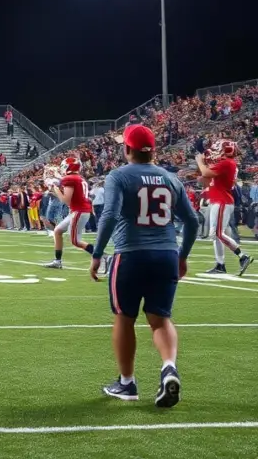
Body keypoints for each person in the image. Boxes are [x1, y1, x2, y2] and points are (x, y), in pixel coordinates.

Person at [90, 125, 200, 407]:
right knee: (160, 318)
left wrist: (98, 253)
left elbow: (110, 215)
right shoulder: (170, 178)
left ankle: (127, 383)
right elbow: (192, 221)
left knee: (124, 318)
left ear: (127, 149)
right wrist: (183, 256)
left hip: (131, 254)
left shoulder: (119, 175)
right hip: (166, 254)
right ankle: (168, 368)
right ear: (154, 150)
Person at [195, 140, 252, 275]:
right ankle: (220, 265)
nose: (215, 150)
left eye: (218, 148)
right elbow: (207, 178)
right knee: (216, 235)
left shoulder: (227, 163)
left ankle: (242, 256)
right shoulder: (226, 163)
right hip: (219, 200)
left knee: (218, 233)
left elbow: (206, 173)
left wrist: (200, 162)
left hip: (222, 201)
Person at [45, 156, 99, 270]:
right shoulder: (79, 178)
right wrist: (56, 188)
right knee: (58, 230)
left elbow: (66, 200)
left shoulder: (70, 179)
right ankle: (57, 261)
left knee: (75, 241)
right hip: (79, 210)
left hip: (79, 211)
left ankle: (102, 255)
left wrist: (55, 188)